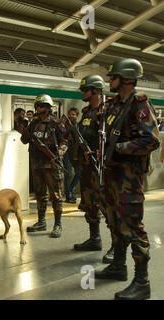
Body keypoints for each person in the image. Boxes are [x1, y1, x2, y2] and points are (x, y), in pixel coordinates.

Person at [94, 58, 160, 300]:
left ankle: (142, 282)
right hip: (112, 174)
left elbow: (151, 140)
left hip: (128, 177)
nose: (110, 80)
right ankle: (118, 266)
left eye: (114, 77)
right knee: (114, 221)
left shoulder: (138, 104)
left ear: (127, 79)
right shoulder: (114, 105)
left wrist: (120, 147)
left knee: (133, 226)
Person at [72, 75, 114, 263]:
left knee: (108, 207)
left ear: (95, 90)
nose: (82, 92)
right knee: (89, 204)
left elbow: (111, 138)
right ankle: (95, 238)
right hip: (86, 167)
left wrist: (98, 152)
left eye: (85, 89)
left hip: (102, 168)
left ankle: (116, 245)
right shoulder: (87, 111)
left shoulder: (106, 110)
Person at [19, 94, 67, 238]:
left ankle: (58, 224)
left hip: (51, 164)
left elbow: (65, 141)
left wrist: (58, 154)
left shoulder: (56, 123)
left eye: (42, 106)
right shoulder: (33, 123)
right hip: (37, 164)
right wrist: (25, 130)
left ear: (48, 108)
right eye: (38, 106)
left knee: (56, 195)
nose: (39, 108)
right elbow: (24, 140)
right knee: (40, 195)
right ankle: (41, 221)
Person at [63, 107, 80, 203]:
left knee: (79, 173)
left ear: (77, 116)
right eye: (70, 114)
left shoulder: (78, 126)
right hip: (67, 152)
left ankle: (69, 190)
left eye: (73, 114)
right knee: (68, 173)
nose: (71, 116)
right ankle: (68, 195)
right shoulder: (64, 126)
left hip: (76, 152)